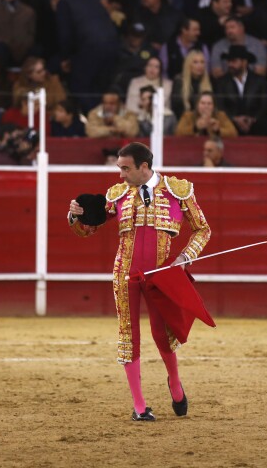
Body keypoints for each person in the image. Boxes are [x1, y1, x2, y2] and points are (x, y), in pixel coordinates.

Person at [67, 142, 211, 421]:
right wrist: (76, 215)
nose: (120, 175)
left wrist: (185, 256)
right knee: (128, 335)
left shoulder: (177, 191)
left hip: (160, 276)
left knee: (161, 334)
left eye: (125, 168)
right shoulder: (117, 195)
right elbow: (87, 231)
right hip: (125, 273)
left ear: (143, 167)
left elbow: (203, 230)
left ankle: (175, 383)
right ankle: (140, 405)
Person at [213, 45, 267, 135]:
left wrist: (252, 119)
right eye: (229, 61)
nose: (230, 64)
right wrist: (235, 119)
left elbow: (264, 106)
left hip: (256, 128)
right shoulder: (221, 82)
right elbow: (220, 106)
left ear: (244, 62)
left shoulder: (259, 81)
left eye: (234, 61)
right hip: (230, 128)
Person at [171, 49, 214, 118]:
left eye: (202, 62)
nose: (199, 65)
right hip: (185, 120)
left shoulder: (209, 82)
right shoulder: (179, 81)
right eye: (195, 62)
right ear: (188, 64)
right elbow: (176, 108)